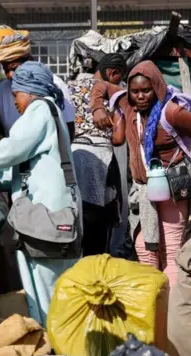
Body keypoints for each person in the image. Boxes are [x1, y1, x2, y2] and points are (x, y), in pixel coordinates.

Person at [91, 60, 191, 285]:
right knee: (144, 247)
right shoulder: (128, 106)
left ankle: (169, 312)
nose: (140, 96)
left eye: (146, 90)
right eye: (135, 91)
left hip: (173, 188)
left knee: (170, 248)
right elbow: (99, 86)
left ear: (157, 87)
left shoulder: (171, 112)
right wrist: (98, 107)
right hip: (144, 188)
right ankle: (155, 306)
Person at [0, 61, 81, 327]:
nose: (14, 103)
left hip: (44, 218)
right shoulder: (52, 111)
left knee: (46, 293)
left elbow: (10, 150)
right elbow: (26, 165)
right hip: (55, 213)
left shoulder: (39, 110)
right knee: (56, 288)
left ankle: (53, 347)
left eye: (16, 95)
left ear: (30, 91)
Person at [67, 53, 127, 255]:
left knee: (77, 218)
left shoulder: (70, 87)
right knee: (100, 226)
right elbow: (119, 138)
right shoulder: (112, 93)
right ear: (112, 72)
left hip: (74, 156)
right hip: (101, 161)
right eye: (120, 77)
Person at [0, 25, 76, 140]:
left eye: (14, 68)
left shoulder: (53, 85)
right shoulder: (2, 90)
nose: (9, 75)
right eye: (5, 69)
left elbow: (68, 132)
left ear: (30, 62)